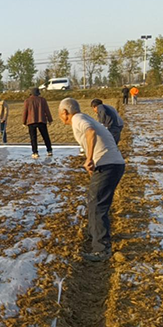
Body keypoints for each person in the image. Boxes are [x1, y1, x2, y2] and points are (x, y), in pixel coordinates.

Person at [58, 98, 125, 262]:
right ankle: (94, 234)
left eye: (60, 114)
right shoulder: (85, 117)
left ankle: (101, 249)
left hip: (107, 164)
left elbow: (90, 133)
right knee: (95, 200)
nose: (60, 118)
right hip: (113, 164)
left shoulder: (78, 119)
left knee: (97, 205)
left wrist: (89, 159)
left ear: (65, 112)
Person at [22, 88, 53, 159]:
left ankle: (35, 152)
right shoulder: (42, 100)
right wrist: (50, 119)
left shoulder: (27, 101)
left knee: (33, 138)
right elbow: (47, 110)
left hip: (31, 121)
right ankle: (49, 150)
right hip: (41, 120)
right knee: (45, 136)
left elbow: (25, 112)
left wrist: (24, 122)